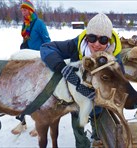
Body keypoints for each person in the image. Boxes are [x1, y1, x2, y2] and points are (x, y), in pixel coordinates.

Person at [40, 13, 124, 147]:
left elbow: (119, 86)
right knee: (77, 122)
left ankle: (97, 135)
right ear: (86, 36)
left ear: (108, 40)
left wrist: (98, 95)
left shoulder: (114, 57)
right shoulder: (75, 45)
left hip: (99, 101)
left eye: (102, 40)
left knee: (97, 116)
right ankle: (82, 144)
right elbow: (46, 48)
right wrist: (62, 68)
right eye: (92, 38)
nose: (96, 44)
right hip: (77, 101)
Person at [12, 0, 51, 135]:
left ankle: (39, 123)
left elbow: (47, 41)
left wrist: (44, 58)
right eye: (21, 10)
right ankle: (22, 122)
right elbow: (26, 41)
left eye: (25, 9)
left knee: (36, 93)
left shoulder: (39, 24)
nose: (22, 12)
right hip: (27, 60)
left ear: (31, 10)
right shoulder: (25, 23)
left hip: (39, 62)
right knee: (23, 91)